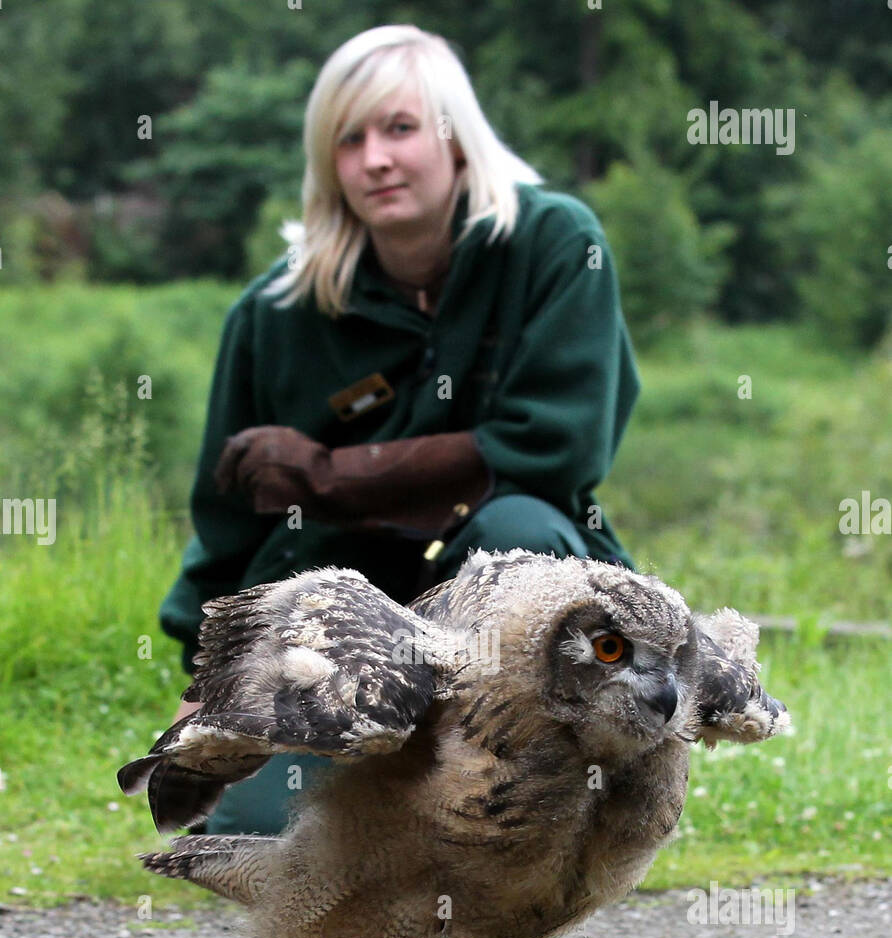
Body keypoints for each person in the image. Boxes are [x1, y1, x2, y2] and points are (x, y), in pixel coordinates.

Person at [159, 23, 640, 836]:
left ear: (457, 138)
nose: (375, 159)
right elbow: (229, 524)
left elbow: (553, 446)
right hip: (335, 622)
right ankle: (391, 801)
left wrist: (326, 476)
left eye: (400, 128)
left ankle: (543, 794)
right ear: (327, 162)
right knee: (259, 832)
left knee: (520, 532)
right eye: (349, 140)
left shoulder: (556, 247)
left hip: (505, 602)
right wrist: (208, 680)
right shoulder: (275, 312)